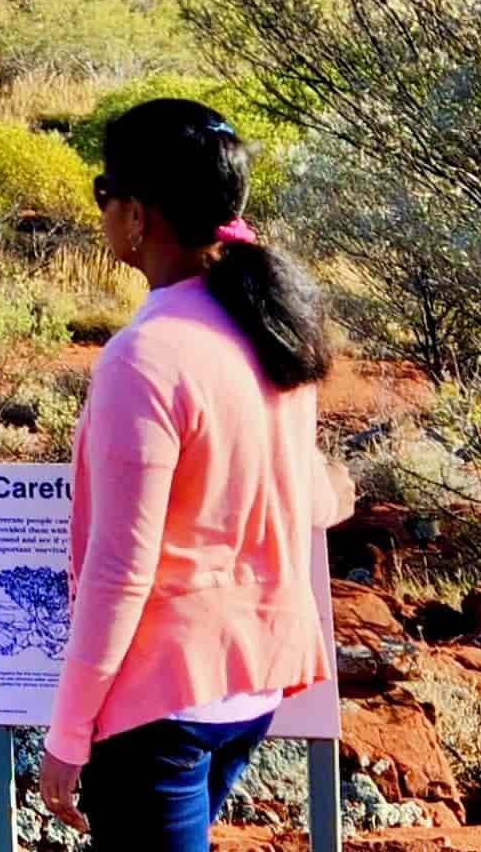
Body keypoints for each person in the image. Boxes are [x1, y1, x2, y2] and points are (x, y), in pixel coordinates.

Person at [33, 97, 346, 851]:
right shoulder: (271, 324)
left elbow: (118, 570)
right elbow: (311, 493)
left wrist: (68, 736)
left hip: (162, 704)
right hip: (255, 682)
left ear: (139, 215)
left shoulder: (146, 356)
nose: (103, 212)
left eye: (104, 194)